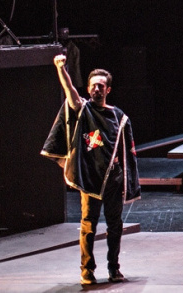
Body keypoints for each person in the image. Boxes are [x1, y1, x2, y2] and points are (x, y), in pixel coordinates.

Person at [42, 55, 141, 285]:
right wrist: (61, 68)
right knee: (88, 225)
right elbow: (69, 92)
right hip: (91, 178)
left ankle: (114, 268)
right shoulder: (83, 110)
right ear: (88, 88)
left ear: (108, 89)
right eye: (93, 85)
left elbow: (126, 151)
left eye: (101, 86)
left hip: (113, 180)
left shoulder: (118, 116)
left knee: (115, 225)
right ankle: (87, 270)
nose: (97, 89)